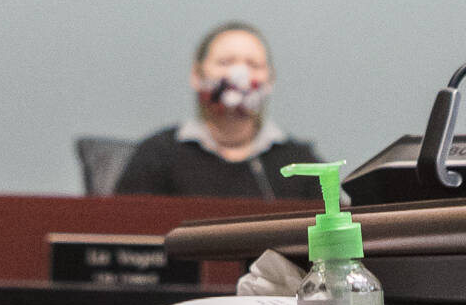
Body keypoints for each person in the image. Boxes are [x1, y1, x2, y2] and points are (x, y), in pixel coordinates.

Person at [114, 22, 319, 199]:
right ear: (196, 75)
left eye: (253, 65)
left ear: (270, 80)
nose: (240, 75)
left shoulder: (301, 164)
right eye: (225, 63)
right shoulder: (158, 155)